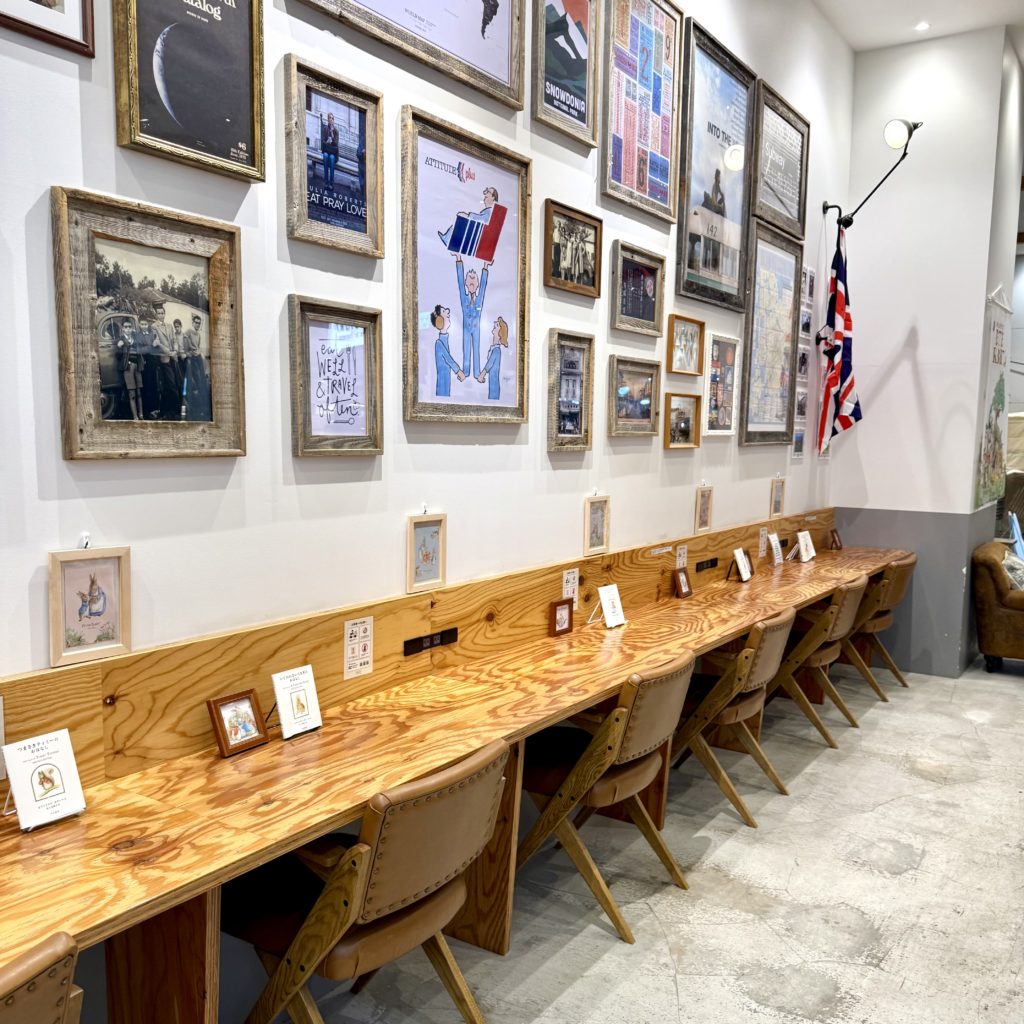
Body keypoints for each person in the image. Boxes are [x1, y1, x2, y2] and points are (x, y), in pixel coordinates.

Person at [456, 256, 489, 379]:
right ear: (466, 283)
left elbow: (484, 287)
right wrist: (459, 260)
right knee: (466, 349)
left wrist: (485, 267)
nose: (472, 282)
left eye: (474, 281)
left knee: (476, 349)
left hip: (476, 328)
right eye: (469, 280)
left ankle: (476, 373)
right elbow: (460, 282)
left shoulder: (479, 299)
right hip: (465, 328)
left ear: (477, 285)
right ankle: (465, 371)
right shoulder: (464, 298)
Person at [150, 303, 182, 420]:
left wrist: (176, 350)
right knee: (169, 385)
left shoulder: (169, 326)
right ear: (156, 315)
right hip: (163, 359)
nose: (161, 315)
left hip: (173, 358)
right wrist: (169, 352)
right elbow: (157, 342)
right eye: (159, 313)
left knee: (176, 383)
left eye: (162, 313)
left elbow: (174, 340)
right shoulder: (154, 326)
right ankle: (176, 411)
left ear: (165, 314)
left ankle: (169, 411)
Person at [182, 312, 212, 421]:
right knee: (191, 383)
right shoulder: (188, 332)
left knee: (201, 382)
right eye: (196, 322)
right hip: (190, 359)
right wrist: (190, 355)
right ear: (192, 322)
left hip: (197, 358)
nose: (197, 325)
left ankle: (200, 409)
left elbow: (198, 348)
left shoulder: (198, 335)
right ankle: (190, 410)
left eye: (199, 323)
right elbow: (186, 348)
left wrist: (199, 355)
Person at [431, 305, 464, 397]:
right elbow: (448, 359)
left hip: (447, 383)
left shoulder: (444, 339)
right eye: (443, 311)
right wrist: (459, 372)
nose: (447, 311)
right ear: (439, 320)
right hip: (442, 386)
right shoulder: (438, 343)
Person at [115, 319, 144, 420]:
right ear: (122, 329)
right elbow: (117, 356)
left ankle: (141, 415)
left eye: (129, 327)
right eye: (126, 327)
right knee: (132, 393)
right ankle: (135, 417)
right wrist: (119, 347)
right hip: (128, 368)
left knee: (139, 392)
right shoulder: (120, 339)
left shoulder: (135, 338)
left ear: (132, 328)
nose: (128, 329)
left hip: (138, 366)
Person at [477, 317, 508, 401]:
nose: (494, 325)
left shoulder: (496, 351)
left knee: (493, 398)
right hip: (492, 382)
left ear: (500, 333)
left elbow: (489, 364)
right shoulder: (494, 348)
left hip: (494, 384)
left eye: (496, 326)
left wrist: (482, 375)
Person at [321, 111, 339, 189]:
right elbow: (322, 140)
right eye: (330, 118)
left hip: (333, 153)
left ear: (333, 120)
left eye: (332, 118)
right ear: (328, 119)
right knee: (325, 156)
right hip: (326, 150)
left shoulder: (336, 131)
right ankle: (326, 181)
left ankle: (331, 183)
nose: (331, 119)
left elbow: (336, 144)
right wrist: (326, 142)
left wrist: (332, 134)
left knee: (331, 158)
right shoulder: (325, 128)